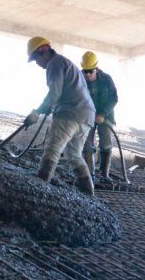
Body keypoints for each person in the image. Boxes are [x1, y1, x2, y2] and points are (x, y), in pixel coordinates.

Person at [24, 37, 96, 196]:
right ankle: (88, 192)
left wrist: (37, 111)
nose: (37, 63)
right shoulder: (67, 63)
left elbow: (54, 93)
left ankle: (39, 188)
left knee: (52, 150)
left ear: (43, 52)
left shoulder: (54, 63)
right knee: (74, 154)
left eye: (36, 59)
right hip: (87, 117)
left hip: (69, 114)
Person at [80, 51, 119, 182]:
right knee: (87, 145)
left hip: (105, 116)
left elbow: (114, 98)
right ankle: (89, 175)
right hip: (87, 116)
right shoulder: (79, 79)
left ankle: (104, 175)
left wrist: (102, 113)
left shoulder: (106, 79)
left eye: (90, 71)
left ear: (96, 68)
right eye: (85, 71)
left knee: (106, 144)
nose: (88, 74)